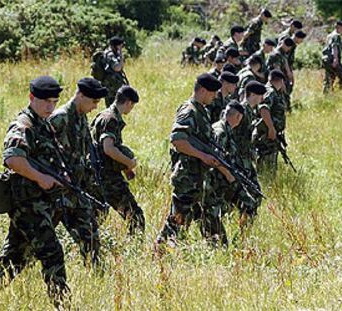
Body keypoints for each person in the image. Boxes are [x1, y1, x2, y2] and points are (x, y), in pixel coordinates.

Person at [0, 76, 70, 305]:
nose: (50, 107)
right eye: (45, 101)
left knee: (15, 256)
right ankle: (63, 304)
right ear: (32, 98)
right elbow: (12, 158)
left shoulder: (44, 124)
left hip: (39, 202)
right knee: (52, 252)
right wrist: (41, 178)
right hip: (27, 204)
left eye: (54, 101)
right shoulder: (24, 125)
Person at [155, 73, 234, 249]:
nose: (215, 97)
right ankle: (160, 250)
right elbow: (177, 139)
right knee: (178, 219)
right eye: (213, 93)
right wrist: (202, 156)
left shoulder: (201, 110)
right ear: (203, 91)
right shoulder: (189, 110)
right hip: (188, 176)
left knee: (207, 214)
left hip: (199, 176)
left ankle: (218, 248)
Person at [48, 77, 108, 266]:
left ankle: (98, 281)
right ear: (80, 96)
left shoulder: (82, 119)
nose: (95, 107)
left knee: (90, 240)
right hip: (55, 194)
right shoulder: (59, 118)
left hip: (75, 192)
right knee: (33, 247)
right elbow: (40, 153)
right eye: (93, 102)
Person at [90, 86, 145, 235]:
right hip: (107, 176)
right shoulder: (111, 119)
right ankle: (136, 251)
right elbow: (108, 149)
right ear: (128, 103)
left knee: (96, 216)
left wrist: (126, 170)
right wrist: (129, 162)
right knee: (135, 216)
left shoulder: (103, 115)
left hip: (96, 174)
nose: (131, 109)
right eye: (132, 105)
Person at [202, 101, 251, 245]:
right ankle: (218, 244)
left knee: (248, 203)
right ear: (238, 117)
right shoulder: (221, 131)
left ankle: (237, 241)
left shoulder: (225, 129)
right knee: (212, 215)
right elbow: (216, 159)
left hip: (221, 181)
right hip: (215, 181)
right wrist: (230, 177)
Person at [232, 81, 267, 226]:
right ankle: (244, 226)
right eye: (260, 95)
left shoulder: (250, 111)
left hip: (246, 159)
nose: (262, 99)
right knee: (250, 195)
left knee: (255, 194)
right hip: (239, 160)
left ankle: (245, 225)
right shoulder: (242, 111)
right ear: (252, 94)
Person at [253, 70, 288, 174]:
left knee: (270, 162)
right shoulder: (270, 91)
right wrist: (271, 128)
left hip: (271, 134)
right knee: (266, 163)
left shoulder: (275, 92)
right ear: (281, 81)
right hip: (267, 133)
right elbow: (263, 108)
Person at [266, 37, 294, 111]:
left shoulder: (283, 53)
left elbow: (286, 66)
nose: (288, 49)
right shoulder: (276, 55)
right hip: (275, 80)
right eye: (288, 47)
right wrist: (282, 83)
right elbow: (277, 70)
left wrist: (290, 76)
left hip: (281, 79)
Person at [322, 20, 342, 93]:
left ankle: (326, 95)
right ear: (339, 28)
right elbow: (334, 47)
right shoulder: (336, 36)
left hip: (326, 59)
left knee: (329, 78)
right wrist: (335, 59)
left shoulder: (329, 35)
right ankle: (337, 92)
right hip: (332, 59)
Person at [102, 36, 129, 108]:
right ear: (115, 45)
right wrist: (120, 53)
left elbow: (121, 66)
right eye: (120, 45)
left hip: (114, 85)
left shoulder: (114, 53)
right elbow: (117, 68)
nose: (121, 47)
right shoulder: (110, 54)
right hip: (110, 86)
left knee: (117, 107)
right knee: (111, 107)